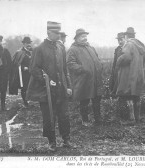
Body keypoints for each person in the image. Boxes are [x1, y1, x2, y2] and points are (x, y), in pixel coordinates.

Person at [26, 21, 73, 151]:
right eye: (56, 33)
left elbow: (65, 69)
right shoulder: (39, 49)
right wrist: (45, 80)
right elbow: (34, 69)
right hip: (46, 91)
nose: (58, 35)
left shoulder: (61, 47)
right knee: (49, 117)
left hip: (61, 89)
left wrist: (68, 86)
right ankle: (52, 141)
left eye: (59, 33)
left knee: (64, 115)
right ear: (48, 32)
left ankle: (66, 139)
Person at [67, 28, 103, 127]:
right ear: (77, 38)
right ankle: (85, 120)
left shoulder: (90, 48)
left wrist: (99, 66)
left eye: (86, 36)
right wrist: (82, 69)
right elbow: (70, 64)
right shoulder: (73, 49)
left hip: (95, 79)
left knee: (97, 99)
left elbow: (97, 59)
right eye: (83, 36)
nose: (85, 38)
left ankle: (98, 118)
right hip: (84, 80)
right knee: (84, 100)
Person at [115, 27, 145, 124]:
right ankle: (137, 117)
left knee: (128, 94)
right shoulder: (141, 45)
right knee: (136, 95)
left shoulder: (129, 44)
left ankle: (131, 119)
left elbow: (126, 57)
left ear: (127, 36)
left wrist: (118, 61)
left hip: (129, 74)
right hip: (138, 74)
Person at [9, 37, 33, 107]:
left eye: (29, 43)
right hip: (23, 73)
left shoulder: (31, 52)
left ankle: (28, 100)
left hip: (30, 72)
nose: (28, 44)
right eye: (27, 43)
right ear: (24, 43)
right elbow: (15, 63)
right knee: (24, 88)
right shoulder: (19, 52)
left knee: (30, 87)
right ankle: (25, 102)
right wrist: (23, 67)